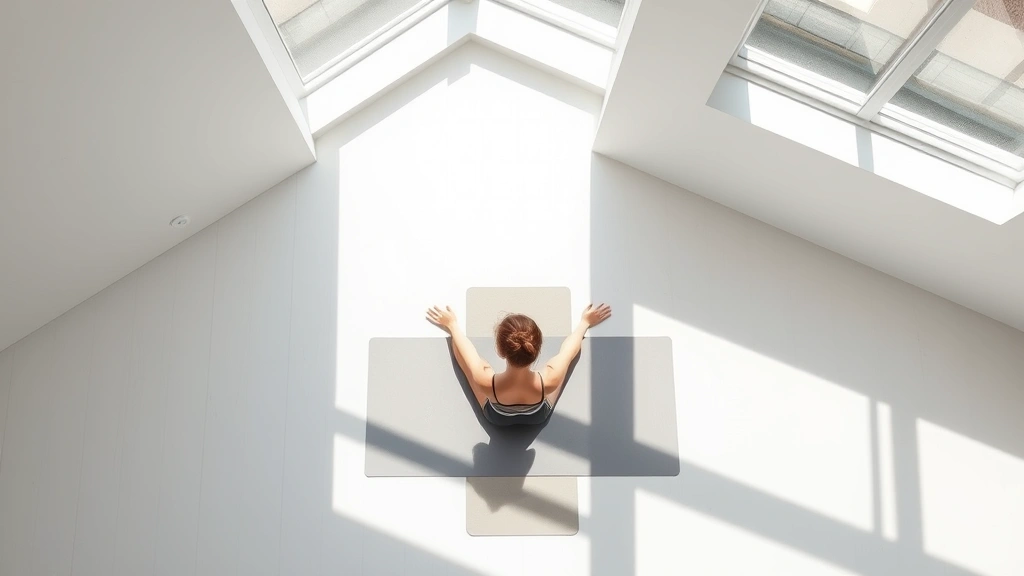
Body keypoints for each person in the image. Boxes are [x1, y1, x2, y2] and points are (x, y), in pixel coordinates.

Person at [425, 303, 612, 426]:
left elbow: (468, 353)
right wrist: (584, 323)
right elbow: (569, 349)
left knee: (474, 364)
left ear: (500, 350)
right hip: (538, 416)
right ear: (536, 350)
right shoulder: (550, 378)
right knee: (564, 361)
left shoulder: (486, 382)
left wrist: (453, 325)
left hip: (497, 418)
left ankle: (453, 333)